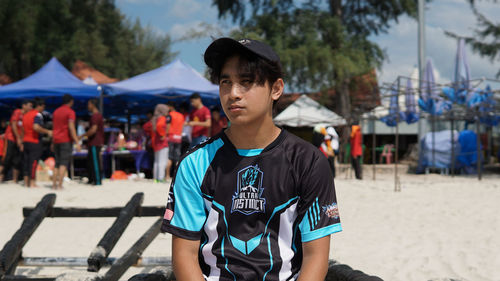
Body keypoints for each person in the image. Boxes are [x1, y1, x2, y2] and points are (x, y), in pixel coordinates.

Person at [162, 38, 341, 281]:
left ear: (276, 89)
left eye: (246, 82)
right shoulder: (194, 162)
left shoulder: (307, 161)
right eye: (226, 82)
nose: (233, 93)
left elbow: (315, 257)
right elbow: (184, 255)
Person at [52, 94, 80, 189]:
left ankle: (53, 185)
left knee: (57, 163)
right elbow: (71, 128)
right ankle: (60, 185)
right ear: (71, 101)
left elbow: (54, 127)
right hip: (65, 140)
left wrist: (52, 141)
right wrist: (77, 141)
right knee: (63, 163)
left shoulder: (56, 111)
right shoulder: (70, 112)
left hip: (56, 139)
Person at [22, 98, 52, 188]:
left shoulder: (26, 114)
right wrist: (48, 131)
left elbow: (23, 129)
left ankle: (26, 181)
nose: (43, 109)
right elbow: (36, 127)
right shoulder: (37, 115)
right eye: (43, 107)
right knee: (34, 162)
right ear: (39, 106)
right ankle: (32, 182)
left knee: (26, 162)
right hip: (34, 141)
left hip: (26, 140)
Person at [1, 100, 33, 183]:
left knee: (17, 160)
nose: (31, 108)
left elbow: (23, 129)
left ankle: (15, 180)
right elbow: (14, 125)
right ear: (24, 106)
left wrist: (21, 141)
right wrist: (18, 138)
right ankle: (1, 177)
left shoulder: (26, 115)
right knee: (6, 159)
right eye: (29, 106)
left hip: (18, 141)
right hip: (10, 138)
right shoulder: (17, 112)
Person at [79, 99, 104, 186]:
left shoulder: (96, 116)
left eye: (89, 104)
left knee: (95, 162)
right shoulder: (95, 116)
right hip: (93, 142)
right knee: (91, 162)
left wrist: (82, 135)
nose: (87, 106)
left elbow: (93, 130)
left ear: (93, 105)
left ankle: (97, 181)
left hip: (95, 142)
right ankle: (92, 179)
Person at [165, 102, 184, 180]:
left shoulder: (169, 115)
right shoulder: (181, 115)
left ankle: (167, 176)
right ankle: (177, 177)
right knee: (177, 158)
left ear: (170, 107)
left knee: (169, 157)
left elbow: (168, 126)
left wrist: (165, 134)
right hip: (178, 138)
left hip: (171, 137)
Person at [152, 104, 169, 182]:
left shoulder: (155, 118)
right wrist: (162, 134)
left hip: (156, 143)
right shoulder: (162, 118)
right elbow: (160, 126)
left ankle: (156, 178)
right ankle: (161, 178)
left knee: (157, 161)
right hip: (162, 143)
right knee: (163, 161)